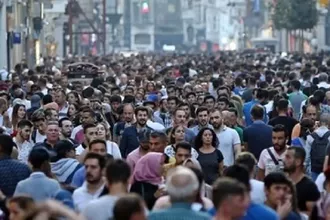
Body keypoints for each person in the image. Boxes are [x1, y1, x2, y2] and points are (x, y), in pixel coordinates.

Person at [284, 146, 320, 215]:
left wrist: (291, 214)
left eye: (288, 157)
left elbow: (314, 213)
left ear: (298, 162)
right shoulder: (282, 182)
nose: (284, 160)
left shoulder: (309, 187)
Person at [305, 113, 330, 180]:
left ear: (319, 122)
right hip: (328, 170)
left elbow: (307, 157)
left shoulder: (310, 136)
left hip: (314, 169)